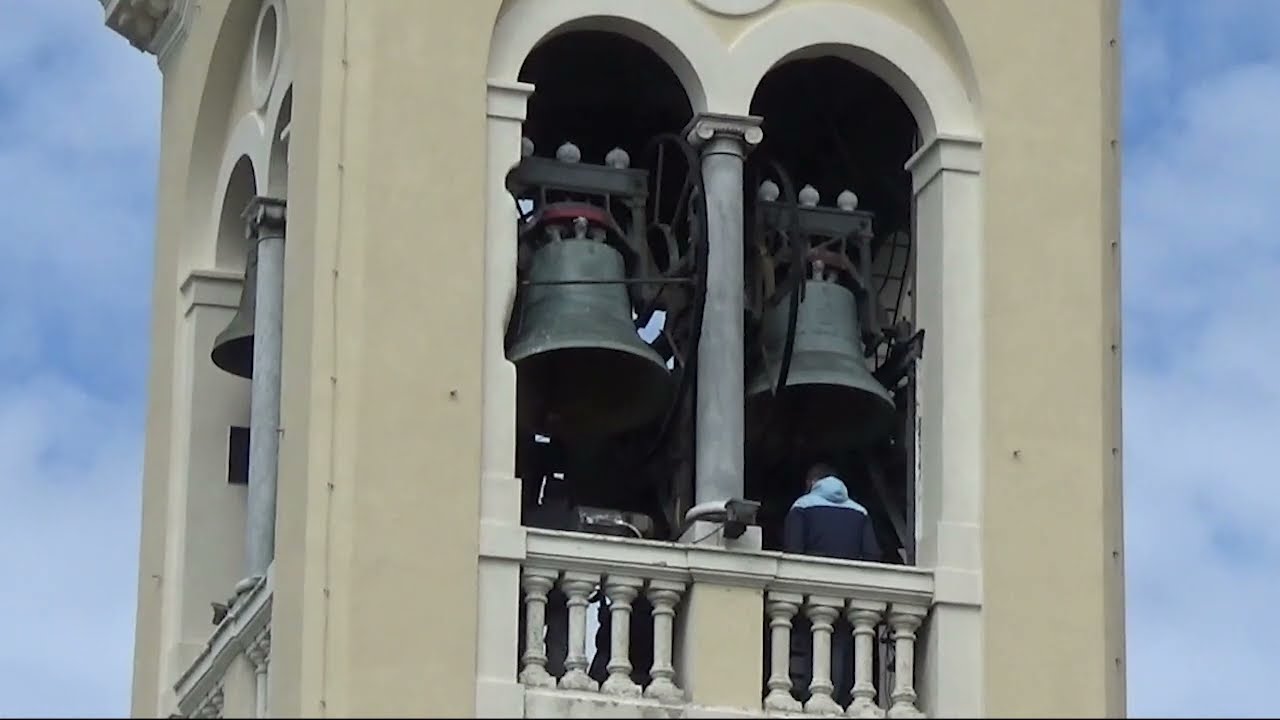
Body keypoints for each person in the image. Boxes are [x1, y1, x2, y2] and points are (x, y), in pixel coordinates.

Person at [782, 462, 881, 707]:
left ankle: (811, 696)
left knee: (813, 646)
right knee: (842, 648)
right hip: (849, 599)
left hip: (812, 595)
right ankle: (838, 698)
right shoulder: (860, 512)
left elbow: (793, 552)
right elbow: (872, 556)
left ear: (811, 483)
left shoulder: (801, 507)